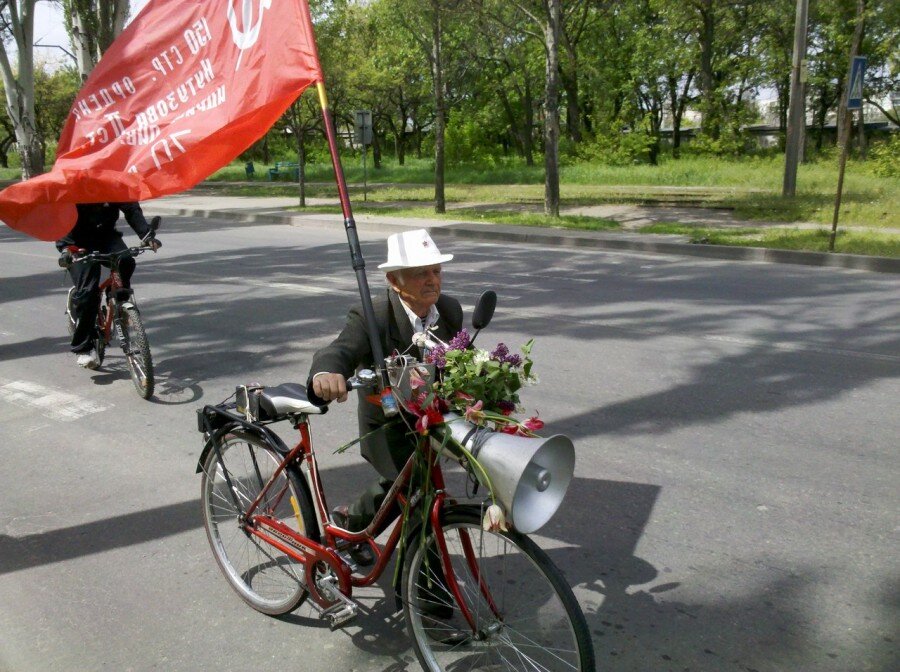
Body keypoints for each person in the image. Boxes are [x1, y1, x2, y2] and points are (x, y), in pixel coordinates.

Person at [307, 229, 462, 563]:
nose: (432, 280)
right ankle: (426, 597)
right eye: (420, 273)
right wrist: (327, 375)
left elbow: (462, 355)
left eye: (436, 270)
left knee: (405, 486)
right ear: (395, 280)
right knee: (421, 495)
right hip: (389, 423)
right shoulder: (373, 315)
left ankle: (350, 522)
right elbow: (337, 351)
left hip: (432, 418)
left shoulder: (449, 310)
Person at [56, 202, 161, 369]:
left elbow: (131, 208)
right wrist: (66, 248)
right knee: (87, 291)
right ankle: (84, 348)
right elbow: (59, 213)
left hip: (106, 236)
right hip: (77, 241)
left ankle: (120, 302)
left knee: (126, 261)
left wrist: (146, 235)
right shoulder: (75, 186)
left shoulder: (111, 183)